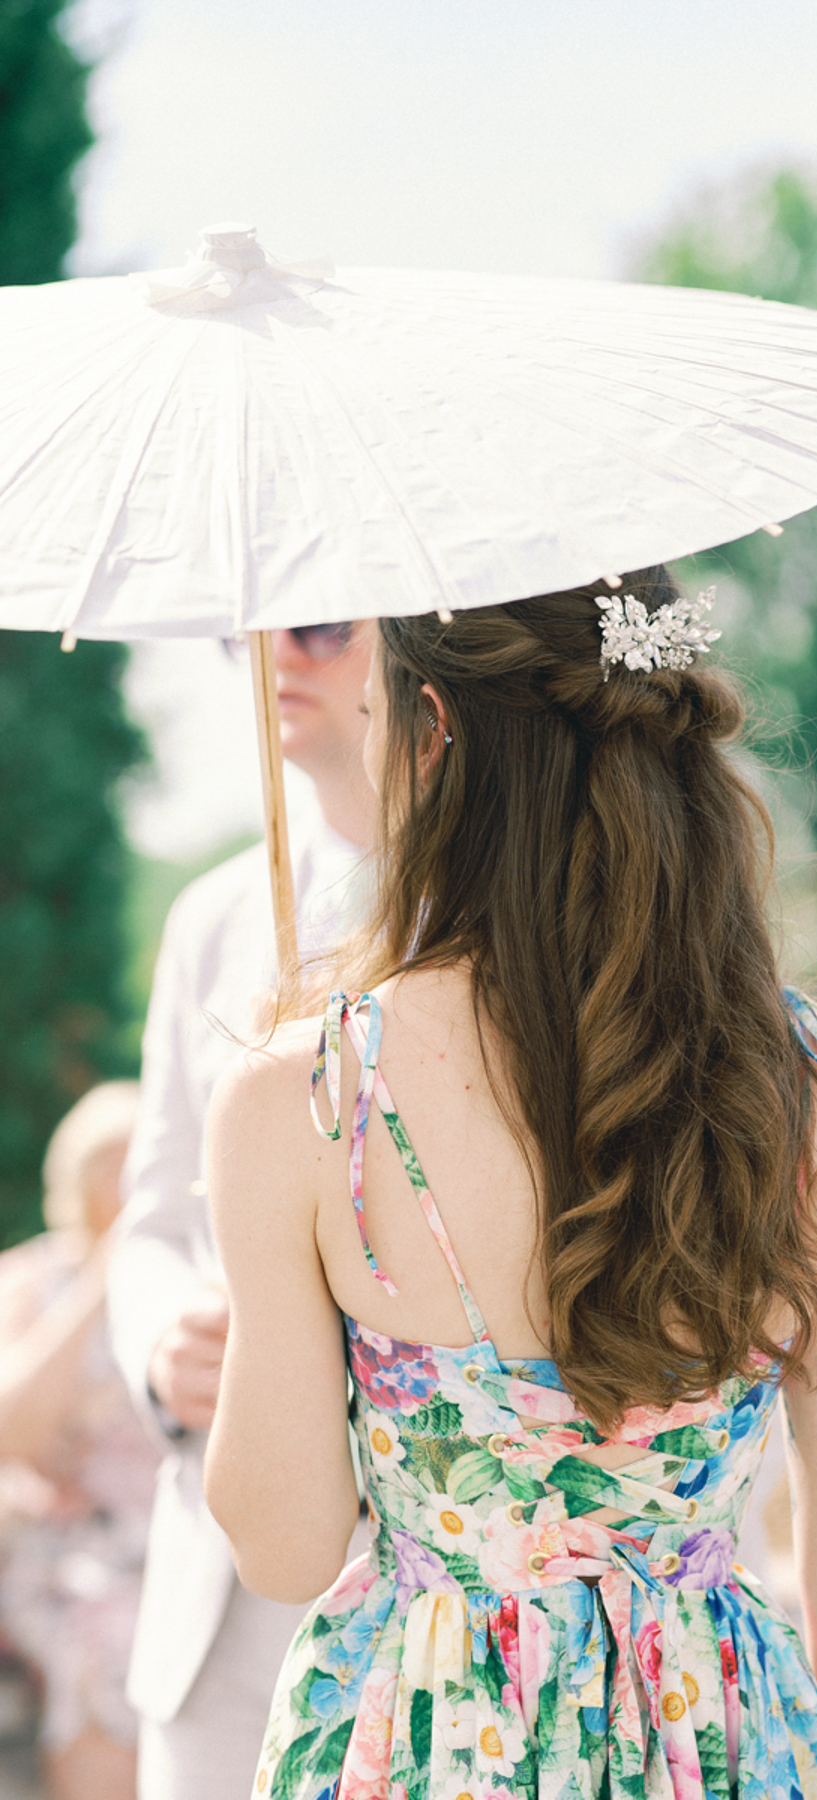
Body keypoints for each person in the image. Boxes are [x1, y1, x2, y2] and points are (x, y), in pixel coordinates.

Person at [205, 570, 817, 1800]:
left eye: (374, 716)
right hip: (725, 1751)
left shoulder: (309, 1098)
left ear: (434, 732)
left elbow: (284, 1545)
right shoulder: (807, 1089)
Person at [107, 622, 378, 1800]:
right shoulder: (213, 919)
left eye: (320, 624)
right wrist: (163, 1336)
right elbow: (152, 1214)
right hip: (218, 1619)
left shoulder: (517, 920)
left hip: (437, 1579)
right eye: (238, 632)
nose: (274, 654)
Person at [0, 1081, 158, 1800]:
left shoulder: (193, 1289)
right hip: (73, 1552)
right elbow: (12, 1432)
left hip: (173, 1540)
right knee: (109, 1633)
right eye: (110, 1170)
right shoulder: (34, 1277)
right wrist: (104, 1274)